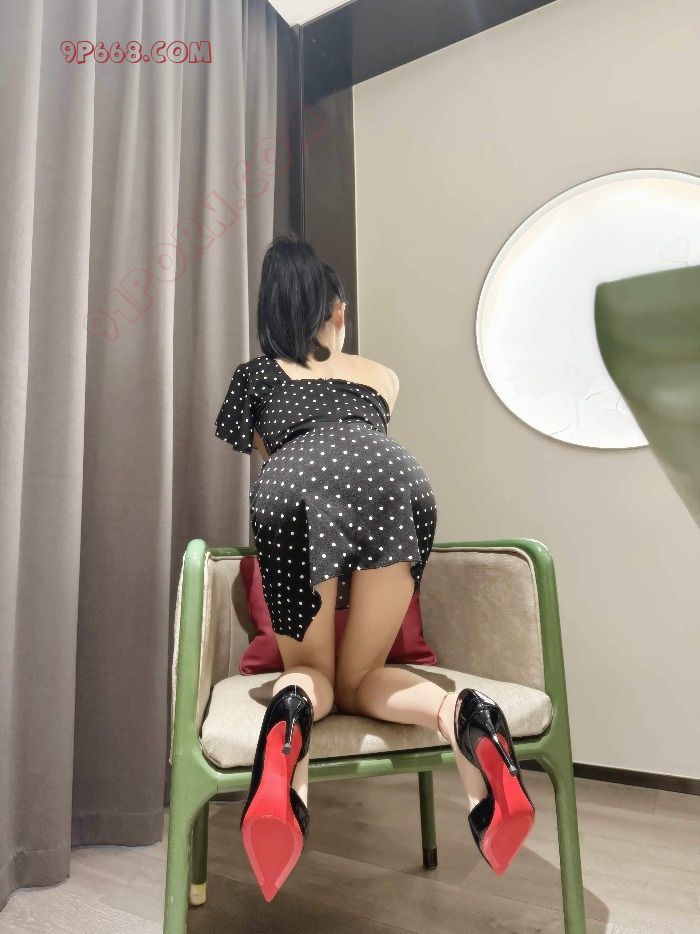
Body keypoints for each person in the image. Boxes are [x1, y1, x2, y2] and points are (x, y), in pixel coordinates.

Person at [214, 235, 535, 901]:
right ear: (338, 311)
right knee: (361, 677)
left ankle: (290, 722)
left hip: (293, 484)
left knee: (313, 674)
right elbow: (362, 448)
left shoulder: (253, 377)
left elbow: (272, 467)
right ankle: (463, 716)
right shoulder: (379, 375)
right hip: (396, 480)